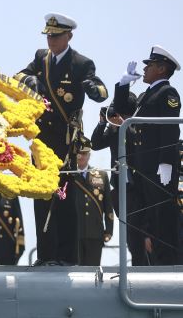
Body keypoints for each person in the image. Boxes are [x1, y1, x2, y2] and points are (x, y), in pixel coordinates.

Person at [14, 12, 108, 265]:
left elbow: (99, 91)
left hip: (66, 141)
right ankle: (45, 255)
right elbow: (18, 76)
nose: (51, 41)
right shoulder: (40, 58)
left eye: (56, 36)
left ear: (69, 36)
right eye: (49, 36)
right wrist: (30, 78)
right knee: (42, 196)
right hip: (42, 140)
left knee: (65, 197)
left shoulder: (81, 63)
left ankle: (66, 257)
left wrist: (93, 89)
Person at [113, 45, 181, 265]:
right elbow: (121, 111)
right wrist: (124, 85)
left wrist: (166, 163)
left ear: (161, 69)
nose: (145, 69)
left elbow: (169, 130)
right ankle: (151, 266)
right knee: (146, 222)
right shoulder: (147, 95)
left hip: (158, 169)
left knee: (162, 221)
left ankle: (169, 266)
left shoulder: (168, 93)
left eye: (149, 65)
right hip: (142, 169)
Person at [90, 94, 147, 266]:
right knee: (132, 236)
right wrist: (103, 124)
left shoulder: (137, 124)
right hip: (123, 188)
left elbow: (138, 143)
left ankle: (147, 268)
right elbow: (96, 144)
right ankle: (137, 269)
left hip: (141, 187)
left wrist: (125, 125)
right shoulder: (115, 128)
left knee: (144, 232)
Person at [72, 138, 114, 266]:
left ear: (89, 155)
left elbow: (108, 205)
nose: (80, 156)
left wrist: (109, 230)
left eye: (84, 153)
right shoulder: (69, 175)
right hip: (74, 232)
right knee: (75, 273)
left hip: (95, 232)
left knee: (92, 271)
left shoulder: (101, 175)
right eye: (78, 153)